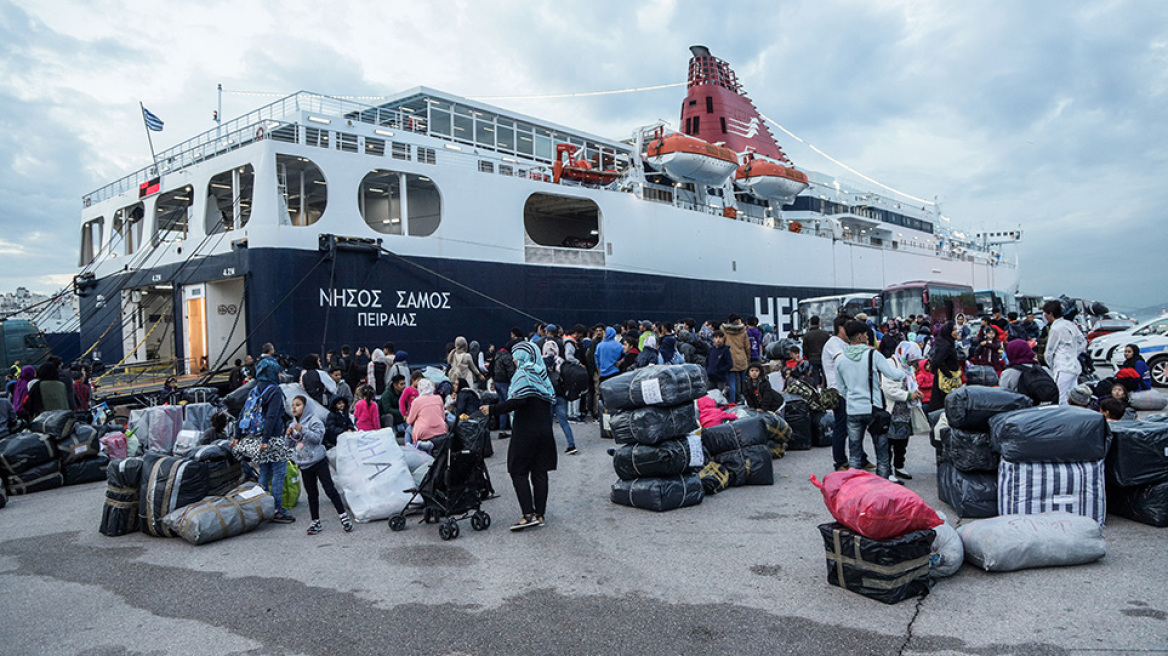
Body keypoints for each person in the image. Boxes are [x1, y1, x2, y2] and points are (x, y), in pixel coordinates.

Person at [479, 341, 558, 531]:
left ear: (523, 357)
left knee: (517, 470)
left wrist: (492, 409)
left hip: (525, 431)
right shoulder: (542, 375)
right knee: (539, 472)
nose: (514, 360)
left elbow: (517, 402)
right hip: (545, 431)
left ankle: (527, 515)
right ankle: (540, 514)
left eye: (516, 356)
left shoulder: (523, 374)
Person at [834, 320, 906, 479]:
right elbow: (893, 375)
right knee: (882, 454)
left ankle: (856, 486)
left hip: (853, 410)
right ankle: (882, 485)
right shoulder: (873, 355)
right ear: (860, 336)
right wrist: (905, 372)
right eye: (867, 336)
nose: (868, 339)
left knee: (854, 454)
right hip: (874, 409)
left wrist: (852, 398)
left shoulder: (840, 359)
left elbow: (841, 389)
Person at [288, 396, 354, 535]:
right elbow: (290, 444)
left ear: (306, 407)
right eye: (293, 405)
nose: (294, 408)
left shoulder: (314, 421)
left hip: (318, 461)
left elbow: (317, 439)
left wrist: (303, 430)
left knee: (329, 489)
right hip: (304, 464)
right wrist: (288, 435)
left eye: (298, 405)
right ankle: (315, 521)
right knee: (311, 494)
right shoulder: (292, 424)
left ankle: (343, 517)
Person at [244, 363, 295, 524]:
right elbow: (272, 416)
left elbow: (245, 413)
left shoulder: (255, 389)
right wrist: (266, 440)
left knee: (264, 472)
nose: (280, 375)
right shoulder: (275, 390)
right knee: (279, 472)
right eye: (278, 372)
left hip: (258, 436)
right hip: (273, 437)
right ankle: (277, 508)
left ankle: (262, 506)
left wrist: (238, 436)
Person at [823, 314, 861, 472]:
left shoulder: (845, 343)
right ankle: (839, 462)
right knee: (842, 427)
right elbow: (843, 361)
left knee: (855, 426)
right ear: (840, 328)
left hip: (849, 390)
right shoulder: (833, 343)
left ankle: (861, 458)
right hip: (838, 391)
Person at [882, 341, 924, 483]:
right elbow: (888, 389)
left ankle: (899, 466)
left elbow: (912, 384)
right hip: (892, 410)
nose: (913, 363)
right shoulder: (890, 364)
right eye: (912, 360)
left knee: (902, 441)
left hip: (905, 411)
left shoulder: (907, 367)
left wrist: (916, 392)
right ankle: (886, 470)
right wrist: (908, 395)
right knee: (889, 442)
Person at [1043, 299, 1086, 405]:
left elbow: (1049, 351)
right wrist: (1073, 354)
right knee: (1074, 398)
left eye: (1045, 314)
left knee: (1060, 398)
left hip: (1062, 367)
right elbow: (1083, 342)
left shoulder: (1055, 328)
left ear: (1050, 314)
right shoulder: (1070, 324)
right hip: (1074, 367)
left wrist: (1052, 365)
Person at [542, 335, 576, 455]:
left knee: (547, 423)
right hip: (560, 395)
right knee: (564, 422)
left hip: (547, 395)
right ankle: (571, 444)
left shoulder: (541, 362)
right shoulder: (561, 361)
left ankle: (547, 447)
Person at [999, 339, 1058, 404]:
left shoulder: (1008, 374)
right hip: (1049, 408)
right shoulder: (1044, 370)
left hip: (1023, 409)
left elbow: (1002, 398)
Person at [406, 379, 446, 446]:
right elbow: (443, 417)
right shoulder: (438, 398)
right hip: (441, 429)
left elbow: (409, 421)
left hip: (424, 432)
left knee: (408, 429)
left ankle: (409, 448)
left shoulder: (417, 401)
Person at [721, 314, 750, 403]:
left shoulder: (725, 331)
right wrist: (748, 358)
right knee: (743, 382)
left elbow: (722, 345)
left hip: (729, 359)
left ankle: (733, 402)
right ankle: (745, 400)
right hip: (742, 359)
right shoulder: (743, 332)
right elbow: (747, 347)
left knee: (732, 382)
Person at [705, 330, 734, 397]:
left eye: (720, 337)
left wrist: (720, 370)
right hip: (710, 377)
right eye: (716, 337)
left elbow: (730, 364)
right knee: (708, 395)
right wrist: (707, 370)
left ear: (723, 339)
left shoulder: (725, 350)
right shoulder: (711, 350)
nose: (718, 339)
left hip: (721, 379)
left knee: (720, 396)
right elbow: (707, 361)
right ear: (713, 339)